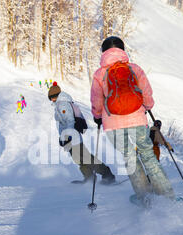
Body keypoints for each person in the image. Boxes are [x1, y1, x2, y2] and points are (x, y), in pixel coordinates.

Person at [90, 36, 175, 205]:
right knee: (148, 156)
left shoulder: (100, 74)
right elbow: (147, 94)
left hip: (113, 125)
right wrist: (147, 106)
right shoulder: (134, 69)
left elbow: (97, 101)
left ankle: (144, 198)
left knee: (130, 158)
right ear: (122, 50)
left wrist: (98, 116)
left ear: (103, 52)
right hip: (137, 120)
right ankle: (167, 195)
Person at [48, 82, 115, 184]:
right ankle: (89, 178)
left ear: (55, 96)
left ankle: (107, 174)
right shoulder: (59, 105)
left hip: (72, 138)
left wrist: (67, 137)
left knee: (86, 158)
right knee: (79, 160)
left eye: (52, 97)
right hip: (69, 139)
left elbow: (70, 121)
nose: (51, 100)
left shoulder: (63, 105)